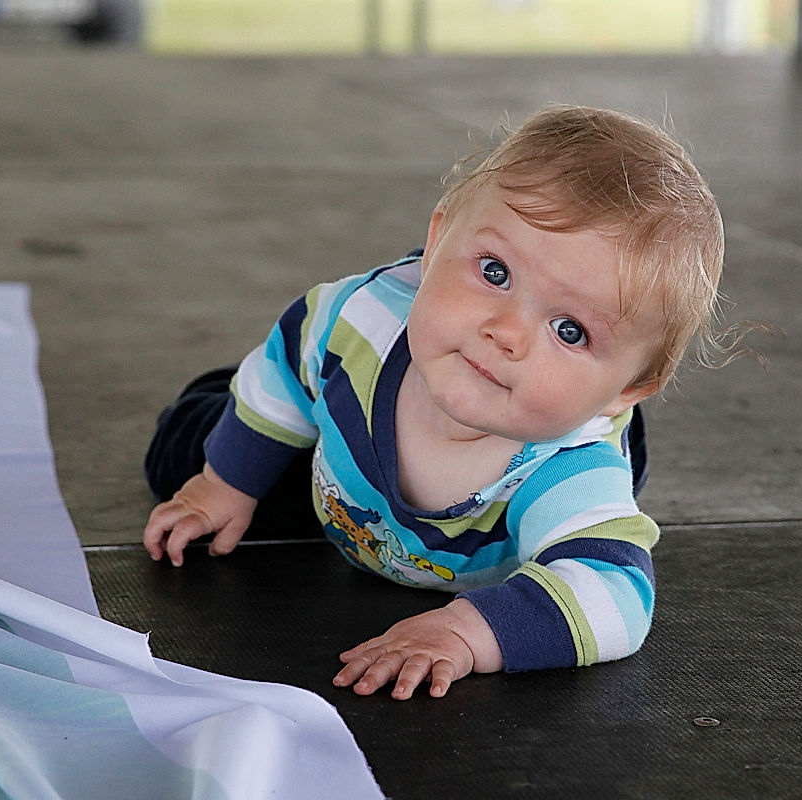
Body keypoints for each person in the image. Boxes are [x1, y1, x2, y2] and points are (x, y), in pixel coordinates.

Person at [143, 105, 726, 700]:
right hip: (348, 433)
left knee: (586, 530)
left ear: (627, 390)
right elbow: (290, 355)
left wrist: (466, 632)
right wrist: (223, 481)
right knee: (190, 458)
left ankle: (603, 404)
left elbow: (617, 597)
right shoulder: (358, 322)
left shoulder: (567, 469)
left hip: (501, 468)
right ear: (436, 241)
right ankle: (225, 410)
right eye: (495, 272)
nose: (506, 331)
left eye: (569, 329)